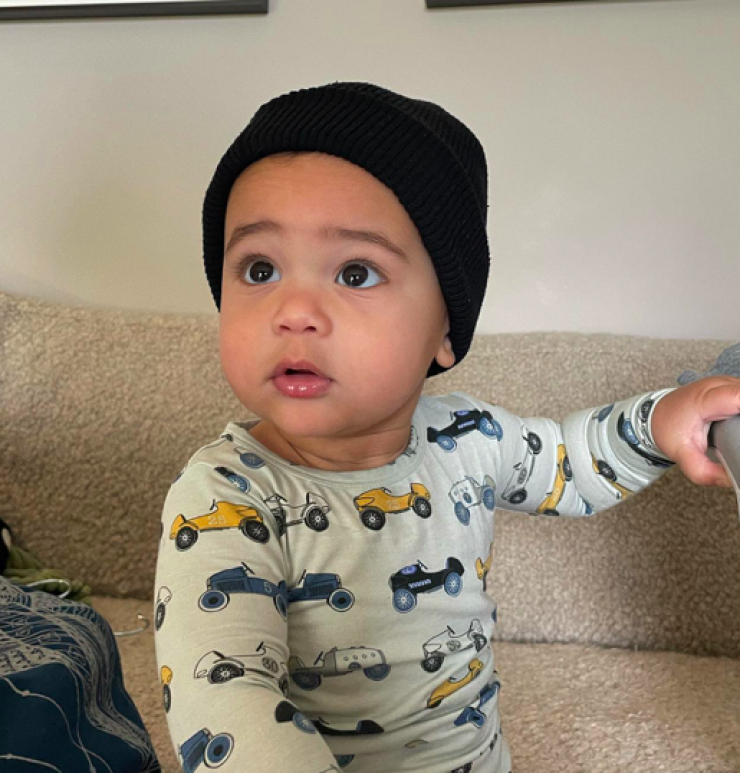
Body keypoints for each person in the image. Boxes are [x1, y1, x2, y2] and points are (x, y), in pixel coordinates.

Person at [153, 81, 740, 773]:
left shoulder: (469, 437)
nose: (295, 311)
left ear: (445, 331)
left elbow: (566, 463)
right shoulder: (226, 496)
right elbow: (226, 698)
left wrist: (658, 421)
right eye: (260, 269)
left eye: (355, 272)